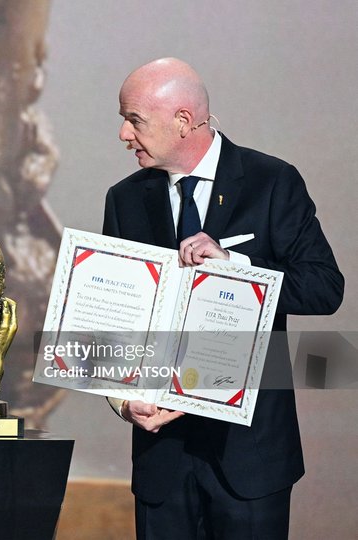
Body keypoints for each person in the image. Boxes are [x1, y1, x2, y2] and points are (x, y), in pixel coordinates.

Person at [104, 58, 344, 539]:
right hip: (162, 459)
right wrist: (123, 400)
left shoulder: (271, 181)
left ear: (183, 121)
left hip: (249, 459)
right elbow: (117, 322)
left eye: (134, 120)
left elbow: (324, 288)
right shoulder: (125, 198)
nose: (124, 135)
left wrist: (235, 271)